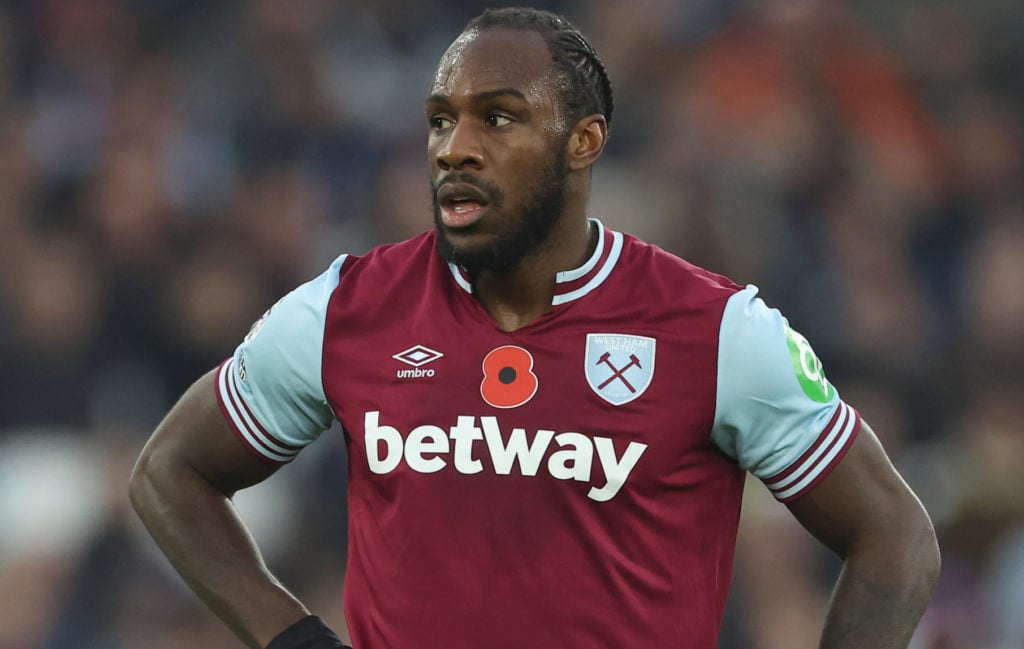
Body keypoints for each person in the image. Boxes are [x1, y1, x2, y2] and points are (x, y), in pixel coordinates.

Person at [129, 7, 940, 649]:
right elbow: (171, 471)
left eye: (499, 118)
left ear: (582, 141)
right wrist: (296, 638)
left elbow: (894, 535)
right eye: (442, 119)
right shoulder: (344, 309)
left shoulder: (717, 331)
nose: (455, 148)